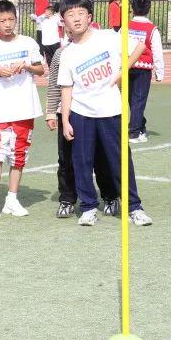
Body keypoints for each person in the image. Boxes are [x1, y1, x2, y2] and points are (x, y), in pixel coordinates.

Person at [58, 0, 153, 227]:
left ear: (89, 17)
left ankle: (134, 207)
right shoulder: (67, 53)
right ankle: (89, 207)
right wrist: (66, 119)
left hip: (111, 111)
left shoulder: (109, 38)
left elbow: (140, 46)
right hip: (81, 114)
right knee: (81, 162)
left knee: (120, 160)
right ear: (64, 22)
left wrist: (123, 71)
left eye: (80, 13)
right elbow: (66, 87)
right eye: (70, 15)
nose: (76, 19)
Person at [0, 0, 44, 221]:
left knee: (18, 156)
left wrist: (25, 66)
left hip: (24, 108)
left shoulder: (28, 42)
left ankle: (12, 199)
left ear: (16, 19)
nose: (8, 24)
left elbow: (41, 69)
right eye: (2, 21)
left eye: (11, 20)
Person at [45, 34, 118, 218]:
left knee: (101, 157)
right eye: (69, 17)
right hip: (68, 115)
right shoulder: (62, 53)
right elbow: (55, 84)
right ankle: (67, 199)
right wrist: (51, 111)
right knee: (66, 159)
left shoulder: (100, 47)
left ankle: (109, 196)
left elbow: (114, 80)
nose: (75, 23)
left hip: (97, 113)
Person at [127, 0, 165, 144]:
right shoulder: (152, 29)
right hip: (143, 68)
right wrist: (159, 72)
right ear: (148, 9)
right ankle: (135, 132)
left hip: (128, 65)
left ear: (132, 9)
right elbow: (157, 52)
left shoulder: (126, 26)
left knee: (131, 100)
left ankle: (139, 126)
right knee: (139, 100)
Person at [35, 3, 62, 68]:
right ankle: (51, 72)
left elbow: (61, 24)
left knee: (57, 58)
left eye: (46, 11)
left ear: (50, 13)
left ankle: (58, 72)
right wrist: (43, 16)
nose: (45, 13)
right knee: (49, 59)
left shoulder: (56, 18)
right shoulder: (42, 18)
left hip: (55, 42)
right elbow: (37, 20)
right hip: (45, 43)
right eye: (45, 11)